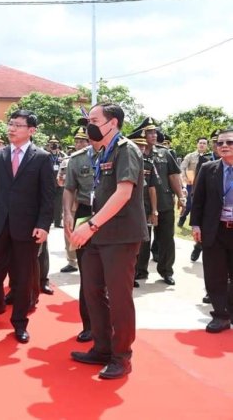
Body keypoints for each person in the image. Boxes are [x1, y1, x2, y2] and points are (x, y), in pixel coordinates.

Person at [69, 103, 148, 380]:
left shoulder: (127, 149)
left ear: (112, 122)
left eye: (93, 119)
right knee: (92, 290)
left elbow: (123, 193)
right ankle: (102, 347)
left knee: (119, 297)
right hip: (100, 234)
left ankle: (121, 356)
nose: (88, 124)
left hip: (121, 236)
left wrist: (90, 226)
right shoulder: (103, 151)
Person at [0, 109, 55, 344]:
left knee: (22, 278)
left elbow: (47, 197)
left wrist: (44, 225)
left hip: (27, 229)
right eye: (10, 124)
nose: (11, 128)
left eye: (18, 125)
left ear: (31, 130)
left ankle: (20, 322)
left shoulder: (41, 157)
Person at [190, 127, 233, 333]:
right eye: (220, 143)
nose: (224, 146)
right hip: (214, 230)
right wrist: (195, 224)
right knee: (215, 274)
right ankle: (220, 315)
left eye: (229, 142)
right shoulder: (208, 168)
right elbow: (197, 200)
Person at [134, 117, 185, 285]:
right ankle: (140, 271)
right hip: (141, 203)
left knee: (167, 239)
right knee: (142, 240)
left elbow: (174, 176)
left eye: (155, 131)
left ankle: (166, 271)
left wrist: (181, 196)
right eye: (149, 132)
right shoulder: (135, 153)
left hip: (164, 203)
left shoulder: (165, 153)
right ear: (142, 134)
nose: (154, 135)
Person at [61, 125, 95, 342]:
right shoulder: (77, 159)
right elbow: (69, 188)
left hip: (113, 215)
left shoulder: (121, 153)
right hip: (85, 213)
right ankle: (89, 325)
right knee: (89, 274)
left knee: (111, 276)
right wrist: (67, 213)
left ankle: (111, 324)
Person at [126, 129, 159, 288]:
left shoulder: (148, 163)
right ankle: (128, 275)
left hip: (143, 208)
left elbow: (152, 188)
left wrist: (154, 211)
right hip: (124, 210)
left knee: (141, 244)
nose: (141, 149)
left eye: (143, 146)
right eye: (137, 145)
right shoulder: (123, 161)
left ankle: (137, 272)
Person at [191, 130, 221, 263]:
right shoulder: (205, 159)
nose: (217, 145)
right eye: (215, 142)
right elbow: (198, 180)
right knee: (205, 229)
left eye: (217, 142)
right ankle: (198, 246)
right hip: (208, 200)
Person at [178, 137, 208, 227]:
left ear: (207, 145)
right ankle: (181, 220)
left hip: (203, 185)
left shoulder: (209, 157)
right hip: (191, 184)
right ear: (197, 144)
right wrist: (184, 179)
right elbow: (182, 168)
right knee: (189, 205)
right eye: (200, 143)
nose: (202, 145)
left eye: (204, 143)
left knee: (200, 205)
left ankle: (197, 224)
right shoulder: (190, 156)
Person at [48, 136, 67, 228]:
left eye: (55, 143)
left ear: (58, 144)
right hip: (49, 182)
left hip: (59, 181)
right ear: (48, 145)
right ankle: (48, 220)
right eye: (51, 143)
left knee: (59, 203)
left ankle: (57, 222)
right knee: (48, 202)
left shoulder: (63, 156)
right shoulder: (46, 155)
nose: (53, 145)